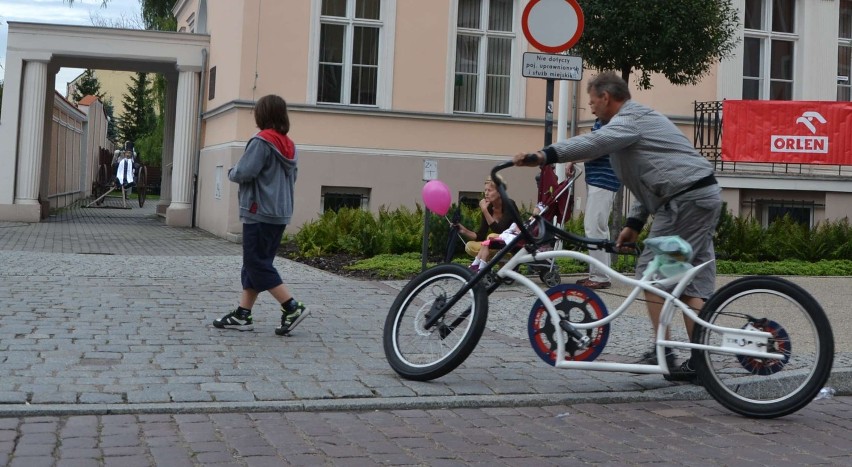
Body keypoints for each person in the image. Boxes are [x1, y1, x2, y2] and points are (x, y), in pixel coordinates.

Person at [513, 71, 722, 382]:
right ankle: (699, 360)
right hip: (696, 196)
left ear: (606, 97)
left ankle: (663, 352)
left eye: (592, 101)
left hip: (682, 202)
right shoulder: (634, 125)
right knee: (689, 284)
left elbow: (594, 143)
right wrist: (635, 223)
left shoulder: (627, 120)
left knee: (653, 273)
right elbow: (650, 179)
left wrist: (545, 155)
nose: (591, 107)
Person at [213, 94, 309, 336]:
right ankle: (242, 315)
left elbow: (245, 171)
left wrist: (232, 172)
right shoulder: (289, 145)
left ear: (262, 114)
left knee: (256, 263)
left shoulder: (262, 141)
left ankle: (292, 306)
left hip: (259, 211)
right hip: (279, 212)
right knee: (255, 263)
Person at [566, 119, 621, 290]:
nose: (590, 104)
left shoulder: (607, 121)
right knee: (597, 228)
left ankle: (599, 276)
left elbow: (596, 150)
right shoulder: (602, 121)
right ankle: (598, 274)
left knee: (593, 227)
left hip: (603, 180)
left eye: (593, 100)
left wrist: (573, 158)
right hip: (599, 180)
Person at [455, 175, 520, 271]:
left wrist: (484, 210)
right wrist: (464, 230)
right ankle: (479, 266)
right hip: (496, 244)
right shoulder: (489, 208)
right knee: (470, 245)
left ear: (500, 192)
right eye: (485, 190)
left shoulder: (509, 204)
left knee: (492, 236)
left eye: (489, 190)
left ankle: (481, 268)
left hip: (513, 243)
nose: (486, 193)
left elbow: (500, 230)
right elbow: (481, 235)